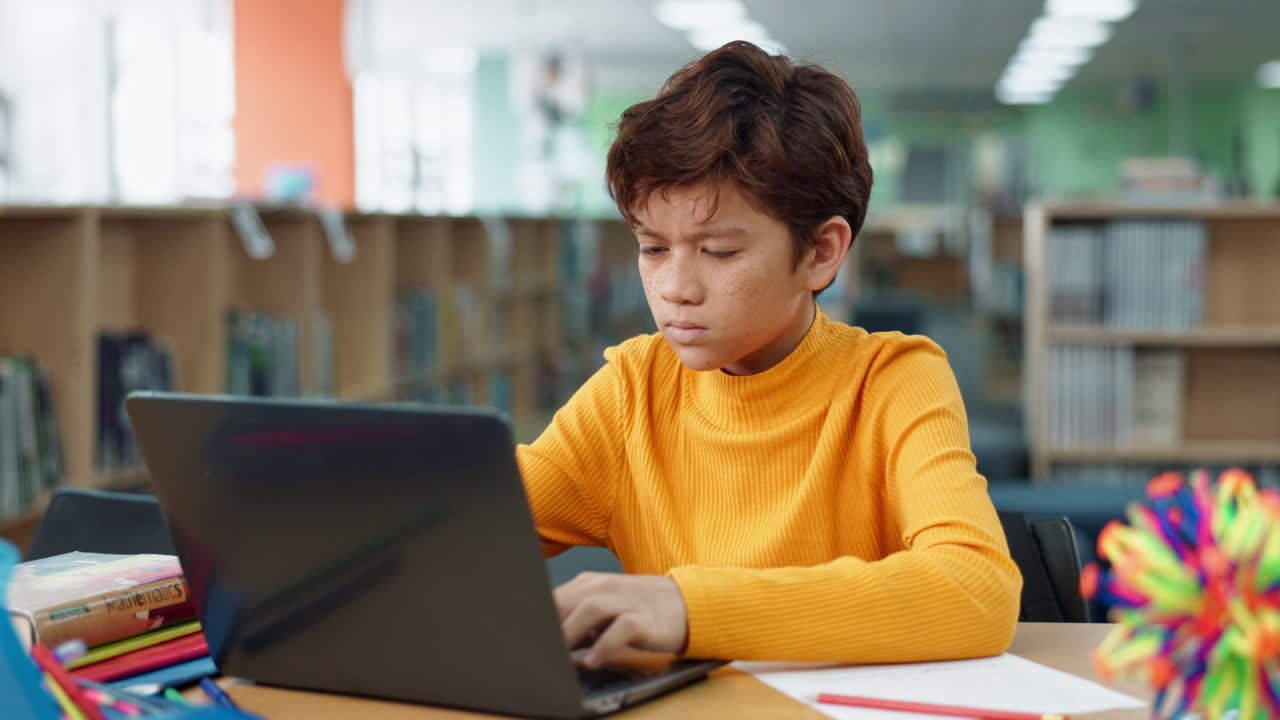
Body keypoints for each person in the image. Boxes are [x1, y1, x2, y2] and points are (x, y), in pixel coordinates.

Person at [516, 41, 1021, 669]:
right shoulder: (634, 390)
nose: (676, 288)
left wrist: (689, 609)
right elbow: (458, 524)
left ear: (821, 252)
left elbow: (975, 591)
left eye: (720, 252)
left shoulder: (893, 380)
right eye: (652, 248)